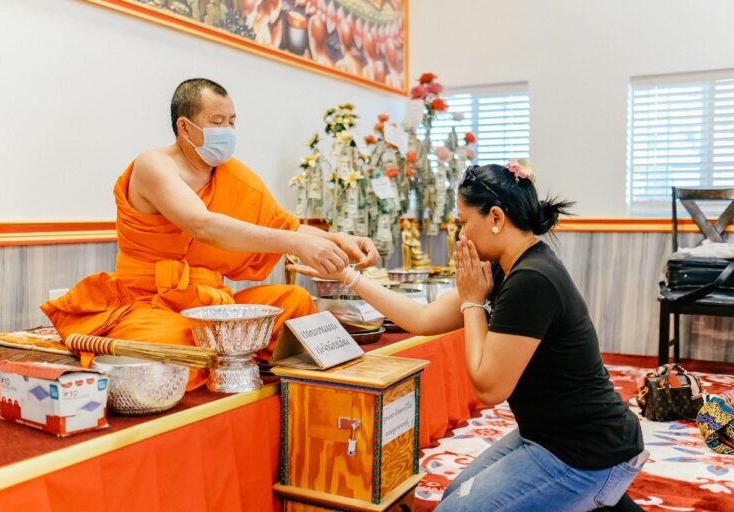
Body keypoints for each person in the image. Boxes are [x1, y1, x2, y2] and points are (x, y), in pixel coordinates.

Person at [288, 162, 646, 511]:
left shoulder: (532, 279)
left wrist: (474, 303)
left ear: (495, 217)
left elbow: (490, 388)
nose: (460, 235)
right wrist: (347, 277)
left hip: (588, 451)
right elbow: (422, 318)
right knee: (454, 494)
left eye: (463, 222)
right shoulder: (504, 267)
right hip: (548, 434)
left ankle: (600, 495)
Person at [42, 78, 378, 390]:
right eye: (217, 122)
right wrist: (297, 243)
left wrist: (338, 239)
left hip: (213, 302)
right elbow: (202, 225)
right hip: (147, 302)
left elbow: (284, 227)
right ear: (185, 127)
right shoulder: (153, 165)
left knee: (294, 302)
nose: (228, 130)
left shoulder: (233, 175)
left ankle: (232, 353)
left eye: (232, 121)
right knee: (180, 340)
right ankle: (235, 354)